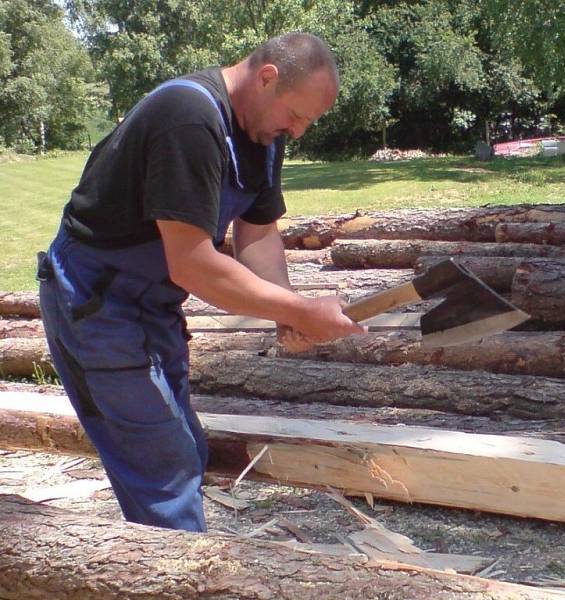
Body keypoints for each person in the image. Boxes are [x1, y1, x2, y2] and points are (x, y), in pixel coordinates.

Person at [36, 32, 365, 532]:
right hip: (94, 299)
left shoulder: (261, 136)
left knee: (185, 445)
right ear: (267, 78)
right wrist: (299, 312)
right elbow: (191, 264)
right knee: (161, 464)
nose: (297, 131)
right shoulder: (188, 119)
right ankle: (186, 577)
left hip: (151, 302)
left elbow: (257, 234)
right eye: (296, 115)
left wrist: (287, 307)